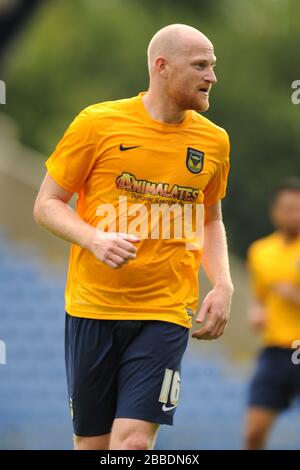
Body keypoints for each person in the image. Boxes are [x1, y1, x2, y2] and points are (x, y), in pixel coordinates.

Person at [33, 23, 233, 450]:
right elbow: (46, 203)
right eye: (200, 66)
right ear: (161, 67)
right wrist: (94, 239)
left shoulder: (214, 142)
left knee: (132, 446)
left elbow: (210, 219)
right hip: (94, 307)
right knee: (93, 446)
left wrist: (223, 283)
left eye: (212, 66)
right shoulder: (97, 123)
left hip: (165, 311)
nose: (211, 77)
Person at [245, 178, 300, 450]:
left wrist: (295, 296)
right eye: (288, 208)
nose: (294, 215)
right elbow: (259, 298)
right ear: (275, 212)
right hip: (276, 350)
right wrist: (256, 312)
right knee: (254, 432)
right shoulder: (260, 251)